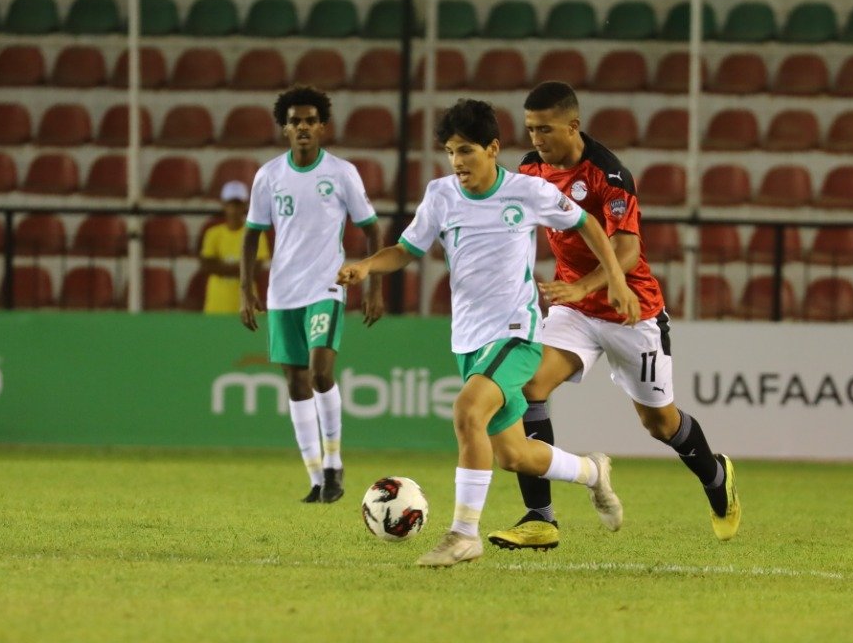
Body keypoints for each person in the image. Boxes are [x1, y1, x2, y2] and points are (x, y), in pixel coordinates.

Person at [338, 98, 639, 567]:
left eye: (466, 150)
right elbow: (406, 249)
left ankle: (464, 534)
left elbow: (588, 225)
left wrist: (614, 280)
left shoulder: (528, 191)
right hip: (469, 339)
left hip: (516, 332)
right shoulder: (441, 195)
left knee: (467, 410)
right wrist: (367, 267)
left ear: (493, 148)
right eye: (450, 152)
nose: (457, 161)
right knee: (514, 455)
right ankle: (591, 471)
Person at [487, 81, 741, 551]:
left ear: (573, 126)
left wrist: (584, 285)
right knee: (529, 387)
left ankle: (715, 475)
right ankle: (540, 518)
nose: (537, 139)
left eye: (545, 129)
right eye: (531, 129)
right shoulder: (531, 168)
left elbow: (626, 251)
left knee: (660, 424)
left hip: (632, 311)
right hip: (574, 309)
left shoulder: (610, 175)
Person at [239, 85, 385, 504]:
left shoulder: (341, 173)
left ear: (322, 127)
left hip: (326, 285)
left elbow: (372, 229)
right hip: (283, 292)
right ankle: (317, 477)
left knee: (320, 373)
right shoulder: (269, 175)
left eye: (310, 121)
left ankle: (334, 463)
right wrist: (246, 288)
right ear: (284, 129)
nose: (302, 127)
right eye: (294, 122)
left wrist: (374, 286)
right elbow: (251, 234)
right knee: (295, 383)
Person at [200, 180, 271, 314]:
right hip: (216, 305)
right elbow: (207, 266)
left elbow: (257, 268)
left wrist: (221, 266)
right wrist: (244, 267)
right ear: (224, 205)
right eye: (230, 204)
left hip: (244, 304)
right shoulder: (213, 233)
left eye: (237, 204)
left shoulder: (256, 234)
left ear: (245, 205)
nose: (233, 209)